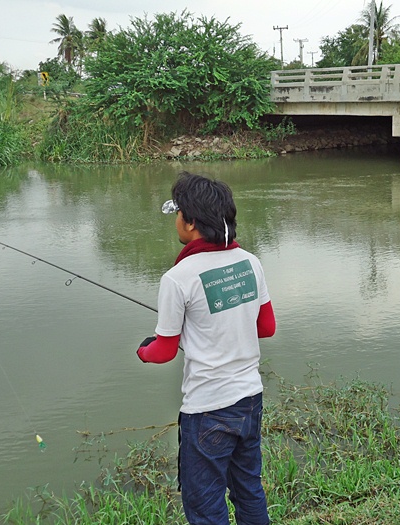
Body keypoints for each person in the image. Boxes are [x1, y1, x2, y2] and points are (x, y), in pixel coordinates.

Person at [136, 172, 276, 525]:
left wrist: (143, 349)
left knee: (205, 504)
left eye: (179, 214)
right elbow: (266, 327)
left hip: (208, 409)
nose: (177, 221)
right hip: (249, 400)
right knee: (248, 491)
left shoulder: (178, 278)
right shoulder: (250, 262)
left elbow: (164, 350)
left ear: (191, 222)